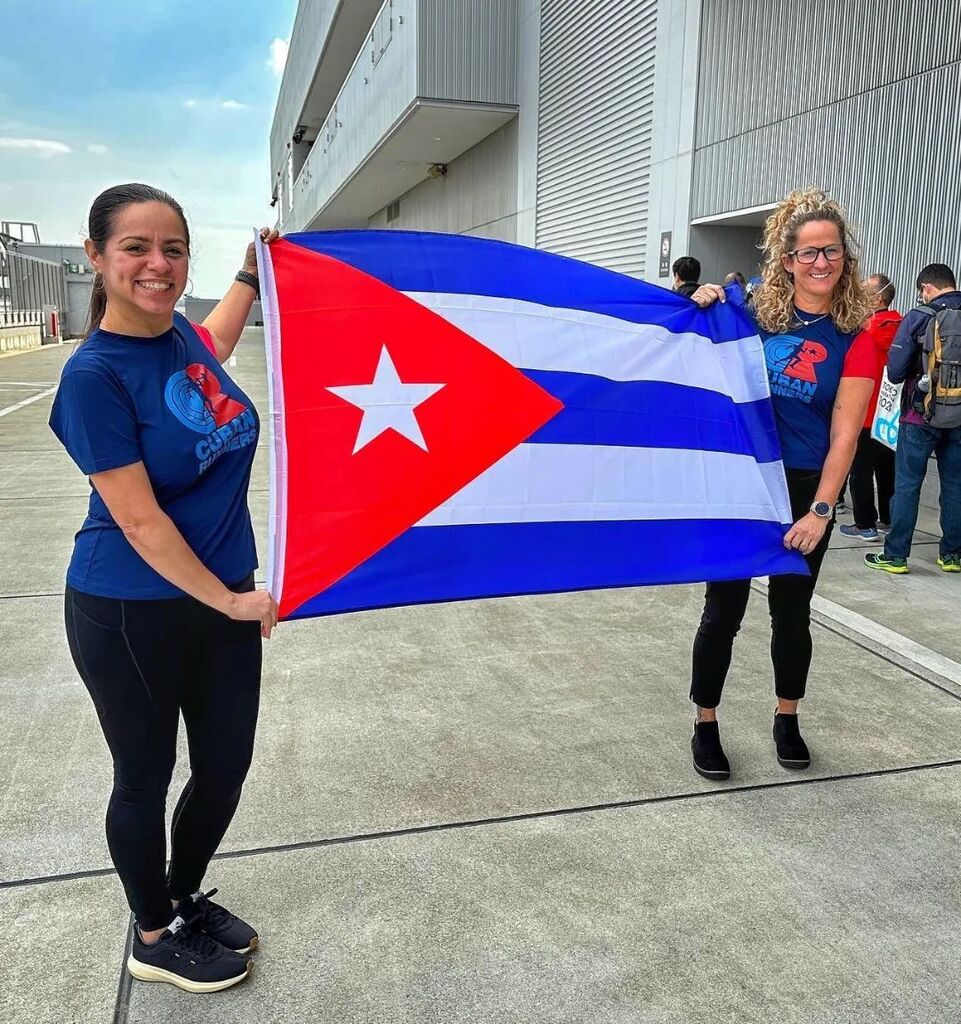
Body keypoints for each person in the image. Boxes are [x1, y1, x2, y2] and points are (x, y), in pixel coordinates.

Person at [49, 184, 280, 993]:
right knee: (143, 777)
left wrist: (249, 276)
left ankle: (182, 895)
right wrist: (229, 601)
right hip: (129, 608)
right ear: (97, 258)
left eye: (172, 249)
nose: (157, 264)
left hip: (218, 597)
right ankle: (153, 933)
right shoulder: (93, 377)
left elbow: (210, 346)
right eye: (137, 248)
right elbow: (142, 523)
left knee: (225, 765)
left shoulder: (179, 333)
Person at [687, 188, 874, 781]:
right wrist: (699, 300)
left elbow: (845, 435)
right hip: (742, 484)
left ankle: (787, 717)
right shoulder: (752, 313)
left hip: (803, 487)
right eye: (809, 253)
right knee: (724, 610)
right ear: (786, 258)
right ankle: (706, 722)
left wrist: (822, 510)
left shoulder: (858, 335)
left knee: (793, 614)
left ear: (845, 257)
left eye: (832, 251)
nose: (822, 263)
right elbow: (692, 348)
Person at [865, 263, 961, 574]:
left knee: (907, 485)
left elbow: (894, 371)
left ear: (927, 288)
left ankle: (895, 556)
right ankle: (952, 555)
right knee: (955, 485)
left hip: (919, 416)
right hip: (959, 417)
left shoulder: (919, 317)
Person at [839, 274, 901, 541]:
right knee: (888, 470)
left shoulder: (865, 332)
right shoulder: (906, 327)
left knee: (860, 470)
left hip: (865, 412)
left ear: (876, 299)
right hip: (891, 414)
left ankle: (865, 524)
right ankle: (888, 519)